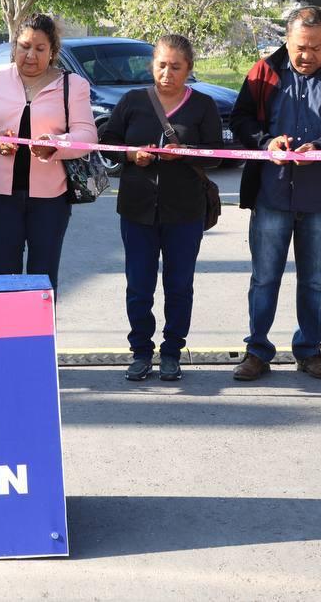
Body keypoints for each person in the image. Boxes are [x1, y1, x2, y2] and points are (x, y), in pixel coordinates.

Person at [229, 7, 321, 382]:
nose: (306, 55)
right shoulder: (264, 71)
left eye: (316, 48)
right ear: (286, 41)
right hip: (271, 196)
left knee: (313, 281)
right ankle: (257, 350)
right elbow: (240, 119)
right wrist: (265, 142)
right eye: (299, 47)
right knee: (264, 278)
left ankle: (310, 351)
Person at [98, 34, 222, 382]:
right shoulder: (133, 101)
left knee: (179, 285)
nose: (167, 73)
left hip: (185, 211)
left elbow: (217, 153)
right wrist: (130, 155)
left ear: (189, 70)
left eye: (176, 67)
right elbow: (107, 142)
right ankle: (140, 351)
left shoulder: (203, 106)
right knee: (139, 285)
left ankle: (172, 352)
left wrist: (184, 153)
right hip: (137, 209)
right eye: (161, 65)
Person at [0, 13, 97, 292]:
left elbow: (87, 136)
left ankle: (40, 337)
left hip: (51, 200)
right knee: (2, 274)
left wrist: (56, 144)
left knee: (43, 278)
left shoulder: (73, 86)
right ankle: (4, 335)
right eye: (24, 46)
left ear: (53, 51)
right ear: (14, 47)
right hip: (0, 198)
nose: (30, 55)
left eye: (39, 48)